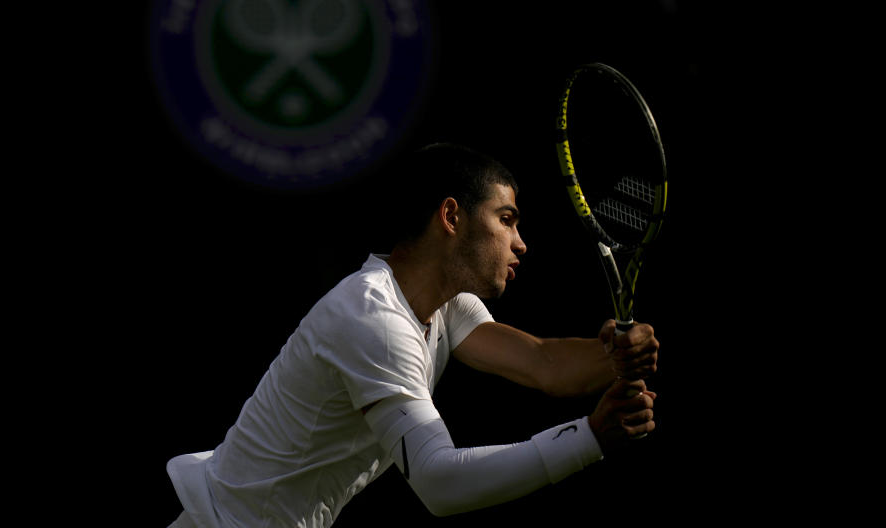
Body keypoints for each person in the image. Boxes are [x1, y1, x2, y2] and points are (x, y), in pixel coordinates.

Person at [166, 143, 660, 528]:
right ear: (451, 217)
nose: (520, 243)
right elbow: (440, 482)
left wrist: (617, 355)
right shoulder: (371, 318)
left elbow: (542, 363)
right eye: (506, 220)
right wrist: (589, 437)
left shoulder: (444, 305)